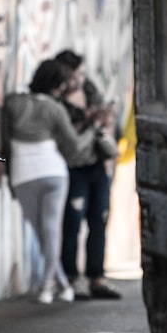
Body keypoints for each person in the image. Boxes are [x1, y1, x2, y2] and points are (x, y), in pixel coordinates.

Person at [2, 59, 99, 304]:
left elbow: (5, 145)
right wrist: (93, 130)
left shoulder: (13, 103)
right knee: (51, 231)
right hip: (54, 173)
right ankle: (57, 284)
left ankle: (51, 284)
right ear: (57, 87)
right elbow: (75, 146)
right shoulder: (55, 109)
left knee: (42, 233)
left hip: (23, 175)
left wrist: (9, 179)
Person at [54, 50, 121, 300]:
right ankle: (72, 278)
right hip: (73, 167)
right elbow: (67, 137)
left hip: (98, 165)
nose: (79, 79)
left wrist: (105, 124)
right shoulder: (57, 101)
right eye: (74, 75)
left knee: (99, 220)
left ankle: (97, 277)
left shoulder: (91, 91)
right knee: (72, 223)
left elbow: (108, 122)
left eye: (80, 73)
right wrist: (90, 121)